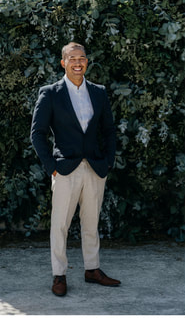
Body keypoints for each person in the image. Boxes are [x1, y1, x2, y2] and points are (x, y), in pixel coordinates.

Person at [30, 42, 120, 297]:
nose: (78, 62)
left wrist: (108, 161)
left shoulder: (99, 92)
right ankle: (59, 275)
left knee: (91, 223)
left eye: (82, 58)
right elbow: (37, 133)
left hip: (95, 168)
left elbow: (109, 131)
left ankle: (92, 269)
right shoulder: (50, 93)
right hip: (65, 169)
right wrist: (52, 167)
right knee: (60, 225)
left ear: (87, 62)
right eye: (72, 58)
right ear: (63, 63)